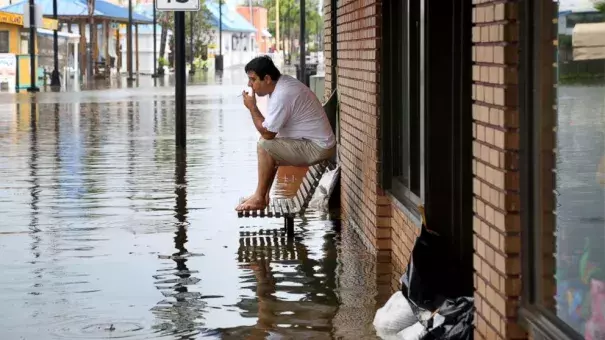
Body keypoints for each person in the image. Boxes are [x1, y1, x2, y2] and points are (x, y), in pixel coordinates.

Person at [235, 56, 336, 211]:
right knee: (267, 144)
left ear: (267, 78)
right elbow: (270, 130)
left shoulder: (283, 94)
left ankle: (260, 198)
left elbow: (268, 134)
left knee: (264, 145)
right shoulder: (281, 85)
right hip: (315, 144)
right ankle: (262, 195)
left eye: (253, 79)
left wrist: (252, 108)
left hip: (318, 148)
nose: (250, 85)